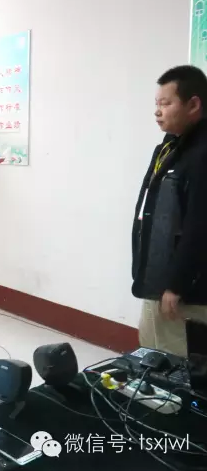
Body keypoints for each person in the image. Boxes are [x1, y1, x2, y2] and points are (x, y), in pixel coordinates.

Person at [132, 65, 207, 357]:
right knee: (155, 349)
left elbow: (199, 225)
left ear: (193, 105)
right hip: (161, 277)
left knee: (168, 360)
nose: (157, 111)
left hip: (182, 289)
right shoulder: (172, 147)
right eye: (156, 103)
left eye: (165, 103)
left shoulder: (201, 154)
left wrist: (176, 285)